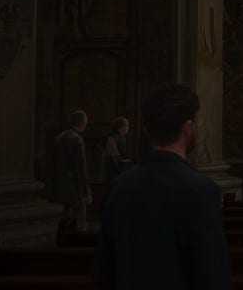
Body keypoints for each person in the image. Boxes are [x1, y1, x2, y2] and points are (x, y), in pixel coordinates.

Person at [94, 83, 230, 290]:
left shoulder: (119, 187)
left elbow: (105, 271)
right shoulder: (200, 190)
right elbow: (211, 273)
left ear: (148, 130)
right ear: (188, 128)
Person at [52, 110, 91, 229]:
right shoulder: (77, 139)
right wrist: (85, 191)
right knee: (79, 217)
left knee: (65, 215)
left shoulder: (59, 137)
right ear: (82, 123)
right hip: (74, 184)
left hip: (60, 181)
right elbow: (80, 167)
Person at [101, 116, 131, 184]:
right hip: (113, 173)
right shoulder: (112, 138)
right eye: (127, 125)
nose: (128, 128)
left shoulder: (122, 139)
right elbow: (114, 158)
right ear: (121, 127)